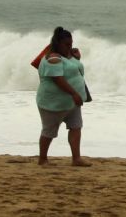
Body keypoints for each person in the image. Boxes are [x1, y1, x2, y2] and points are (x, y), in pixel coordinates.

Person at [35, 26, 90, 166]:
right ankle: (42, 159)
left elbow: (74, 70)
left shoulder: (66, 57)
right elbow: (57, 79)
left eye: (70, 44)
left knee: (76, 126)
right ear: (57, 43)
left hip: (71, 102)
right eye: (66, 44)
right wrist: (74, 93)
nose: (69, 47)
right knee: (49, 131)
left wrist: (76, 58)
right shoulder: (52, 58)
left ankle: (76, 159)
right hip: (54, 103)